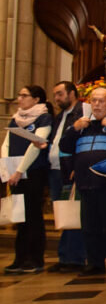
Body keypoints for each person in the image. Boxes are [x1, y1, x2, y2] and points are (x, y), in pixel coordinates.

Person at [60, 87, 106, 275]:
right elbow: (64, 145)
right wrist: (74, 129)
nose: (96, 104)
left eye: (101, 101)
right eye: (93, 101)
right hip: (86, 182)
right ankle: (95, 263)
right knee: (90, 226)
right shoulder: (82, 124)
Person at [2, 86, 53, 273]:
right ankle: (20, 258)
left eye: (24, 96)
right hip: (14, 174)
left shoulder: (43, 118)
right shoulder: (17, 118)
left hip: (32, 172)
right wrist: (7, 170)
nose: (19, 99)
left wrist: (19, 170)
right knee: (19, 217)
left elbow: (35, 146)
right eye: (19, 95)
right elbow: (6, 144)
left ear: (36, 99)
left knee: (32, 216)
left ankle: (35, 259)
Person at [47, 80, 86, 272]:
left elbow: (80, 142)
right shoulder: (60, 115)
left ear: (72, 94)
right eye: (55, 94)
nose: (56, 98)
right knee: (63, 214)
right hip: (55, 170)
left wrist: (77, 166)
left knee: (74, 214)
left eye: (60, 94)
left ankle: (76, 258)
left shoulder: (82, 114)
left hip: (70, 170)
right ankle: (65, 257)